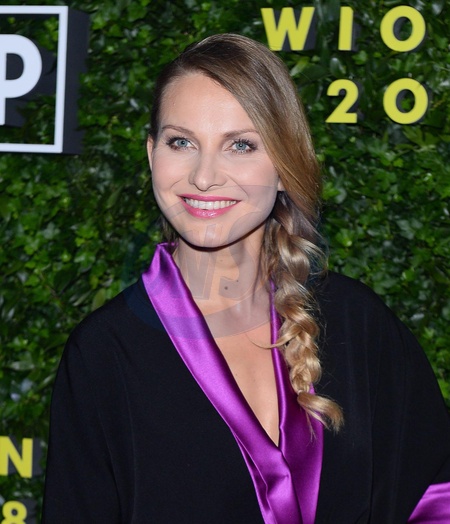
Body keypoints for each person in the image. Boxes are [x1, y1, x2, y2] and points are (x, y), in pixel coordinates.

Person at [42, 34, 450, 523]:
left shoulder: (358, 322)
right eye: (181, 142)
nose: (204, 176)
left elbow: (434, 496)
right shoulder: (105, 353)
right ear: (152, 154)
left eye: (240, 145)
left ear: (284, 166)